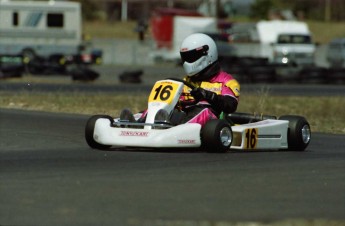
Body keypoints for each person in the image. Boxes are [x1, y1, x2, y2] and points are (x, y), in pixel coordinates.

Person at [178, 33, 240, 126]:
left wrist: (209, 96)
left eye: (191, 57)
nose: (187, 62)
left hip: (214, 125)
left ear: (208, 55)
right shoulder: (185, 82)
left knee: (203, 111)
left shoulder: (226, 81)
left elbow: (230, 105)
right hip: (184, 119)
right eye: (185, 57)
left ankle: (176, 131)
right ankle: (151, 130)